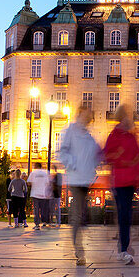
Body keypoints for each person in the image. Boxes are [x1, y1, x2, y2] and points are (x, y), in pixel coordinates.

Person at [103, 104, 139, 264]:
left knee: (126, 215)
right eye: (127, 116)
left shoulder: (131, 137)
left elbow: (138, 159)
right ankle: (123, 249)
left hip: (130, 182)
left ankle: (123, 247)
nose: (129, 119)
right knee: (125, 214)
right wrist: (122, 158)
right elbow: (107, 155)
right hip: (119, 181)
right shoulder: (115, 135)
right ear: (121, 118)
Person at [57, 103, 102, 265]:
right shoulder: (71, 130)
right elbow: (61, 151)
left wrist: (97, 164)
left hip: (86, 180)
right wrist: (72, 163)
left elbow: (97, 155)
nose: (89, 117)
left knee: (83, 214)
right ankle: (79, 252)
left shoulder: (89, 136)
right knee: (77, 215)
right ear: (81, 113)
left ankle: (79, 243)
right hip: (76, 179)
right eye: (87, 114)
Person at [26, 162, 51, 230]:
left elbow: (28, 182)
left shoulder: (33, 173)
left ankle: (37, 224)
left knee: (36, 210)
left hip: (35, 194)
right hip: (43, 194)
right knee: (43, 209)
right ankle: (44, 222)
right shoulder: (45, 173)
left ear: (36, 166)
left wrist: (33, 184)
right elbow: (48, 183)